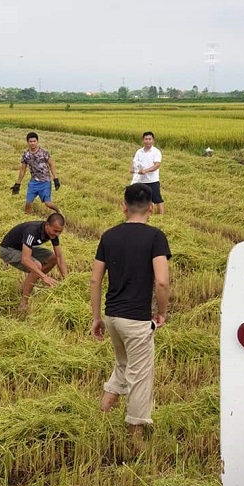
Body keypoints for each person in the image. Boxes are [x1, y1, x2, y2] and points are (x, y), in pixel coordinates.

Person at [90, 183, 171, 442]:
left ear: (123, 206)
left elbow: (95, 281)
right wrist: (162, 312)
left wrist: (97, 318)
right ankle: (135, 433)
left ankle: (104, 410)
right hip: (136, 320)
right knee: (141, 376)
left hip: (113, 317)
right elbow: (161, 282)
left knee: (123, 365)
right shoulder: (155, 237)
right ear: (151, 208)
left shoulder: (109, 236)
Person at [0, 213, 68, 314]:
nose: (57, 234)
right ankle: (24, 302)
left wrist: (67, 280)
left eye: (60, 232)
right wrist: (44, 276)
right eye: (55, 231)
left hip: (22, 248)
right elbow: (25, 260)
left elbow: (59, 257)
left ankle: (26, 285)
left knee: (52, 258)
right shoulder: (32, 231)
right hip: (8, 250)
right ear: (47, 225)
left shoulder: (53, 234)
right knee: (36, 266)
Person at [11, 132, 61, 215]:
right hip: (33, 182)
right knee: (28, 204)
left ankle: (58, 211)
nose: (32, 143)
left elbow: (51, 164)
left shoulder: (44, 152)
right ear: (27, 142)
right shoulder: (26, 155)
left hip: (45, 182)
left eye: (34, 141)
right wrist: (18, 183)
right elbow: (23, 169)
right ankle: (29, 219)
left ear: (37, 141)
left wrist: (55, 179)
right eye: (30, 141)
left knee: (48, 203)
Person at [130, 131, 164, 214]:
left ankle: (162, 216)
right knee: (145, 200)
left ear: (153, 140)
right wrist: (133, 169)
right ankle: (149, 215)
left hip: (153, 180)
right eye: (146, 139)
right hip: (141, 181)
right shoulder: (139, 152)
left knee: (157, 199)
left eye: (149, 139)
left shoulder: (156, 152)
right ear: (143, 140)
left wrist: (145, 171)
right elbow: (134, 163)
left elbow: (157, 165)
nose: (148, 141)